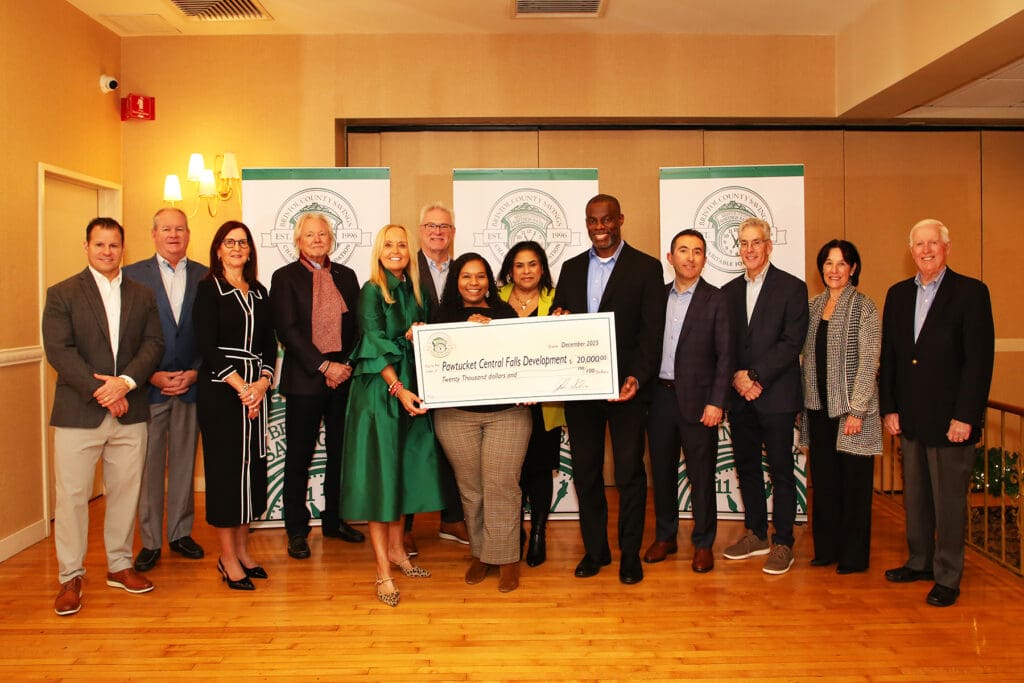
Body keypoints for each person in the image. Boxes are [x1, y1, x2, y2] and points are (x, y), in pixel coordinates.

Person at [43, 217, 165, 616]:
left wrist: (126, 383)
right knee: (74, 497)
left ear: (123, 249)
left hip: (131, 410)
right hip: (80, 411)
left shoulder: (142, 294)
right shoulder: (62, 293)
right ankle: (71, 576)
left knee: (125, 491)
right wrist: (104, 391)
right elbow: (59, 351)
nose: (107, 252)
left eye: (114, 245)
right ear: (86, 246)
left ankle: (119, 565)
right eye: (100, 245)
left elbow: (153, 343)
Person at [551, 193, 664, 585]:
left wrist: (637, 376)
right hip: (581, 391)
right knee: (586, 472)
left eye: (606, 220)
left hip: (626, 390)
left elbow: (652, 334)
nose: (599, 228)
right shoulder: (569, 268)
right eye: (592, 221)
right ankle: (595, 551)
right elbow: (560, 322)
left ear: (620, 219)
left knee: (631, 472)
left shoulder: (647, 268)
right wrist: (558, 317)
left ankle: (629, 553)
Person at [880, 219, 994, 607]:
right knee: (916, 498)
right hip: (910, 418)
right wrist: (889, 408)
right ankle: (919, 561)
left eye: (933, 243)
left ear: (947, 247)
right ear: (910, 250)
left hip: (951, 422)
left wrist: (967, 416)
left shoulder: (971, 293)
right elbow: (892, 358)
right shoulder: (897, 295)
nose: (926, 250)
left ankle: (947, 575)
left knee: (948, 503)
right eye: (919, 244)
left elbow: (978, 363)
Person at [339, 224, 444, 607]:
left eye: (402, 244)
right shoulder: (371, 290)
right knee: (380, 481)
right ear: (378, 250)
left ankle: (399, 553)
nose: (396, 250)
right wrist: (399, 390)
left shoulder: (414, 290)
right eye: (389, 244)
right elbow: (372, 345)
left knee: (400, 474)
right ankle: (382, 570)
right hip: (380, 396)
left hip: (409, 392)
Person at [434, 253, 533, 592]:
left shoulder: (505, 313)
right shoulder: (439, 316)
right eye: (466, 276)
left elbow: (522, 358)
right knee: (471, 490)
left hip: (507, 414)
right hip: (455, 417)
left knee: (502, 485)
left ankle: (507, 559)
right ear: (456, 280)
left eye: (480, 276)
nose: (473, 283)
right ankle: (481, 554)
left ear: (489, 280)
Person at [271, 212, 364, 561]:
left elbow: (358, 327)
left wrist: (345, 366)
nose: (317, 240)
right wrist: (323, 365)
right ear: (298, 240)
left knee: (340, 454)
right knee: (299, 456)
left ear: (331, 239)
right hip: (305, 381)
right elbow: (287, 330)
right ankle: (296, 530)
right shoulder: (285, 277)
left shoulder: (346, 275)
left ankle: (334, 519)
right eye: (309, 235)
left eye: (322, 234)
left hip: (343, 379)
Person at [122, 208, 207, 573]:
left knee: (185, 463)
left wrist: (196, 373)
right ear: (153, 233)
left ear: (189, 234)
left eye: (180, 229)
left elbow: (212, 334)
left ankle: (180, 533)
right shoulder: (131, 276)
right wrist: (150, 374)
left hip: (190, 385)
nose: (174, 235)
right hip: (149, 388)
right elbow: (124, 336)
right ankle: (151, 541)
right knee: (150, 466)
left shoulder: (206, 276)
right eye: (166, 229)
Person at [722, 217, 808, 575]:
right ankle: (756, 533)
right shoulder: (726, 292)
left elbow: (791, 342)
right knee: (747, 468)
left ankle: (782, 542)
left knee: (782, 471)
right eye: (743, 243)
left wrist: (755, 376)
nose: (749, 249)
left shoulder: (792, 288)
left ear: (769, 246)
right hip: (740, 397)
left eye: (756, 242)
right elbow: (721, 346)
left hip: (776, 395)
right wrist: (737, 379)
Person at [194, 221, 277, 591]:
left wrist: (261, 384)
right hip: (221, 392)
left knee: (251, 473)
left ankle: (243, 550)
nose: (237, 248)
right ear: (218, 248)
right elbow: (206, 345)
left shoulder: (259, 291)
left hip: (254, 391)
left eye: (243, 242)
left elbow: (270, 343)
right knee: (228, 475)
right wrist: (242, 386)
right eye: (230, 242)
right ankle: (227, 557)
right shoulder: (208, 289)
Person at [645, 229, 734, 573]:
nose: (690, 257)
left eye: (697, 251)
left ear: (704, 259)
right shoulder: (657, 297)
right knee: (662, 473)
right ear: (671, 258)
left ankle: (703, 543)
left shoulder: (717, 299)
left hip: (700, 403)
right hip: (659, 399)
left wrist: (716, 402)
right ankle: (665, 537)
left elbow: (726, 355)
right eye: (683, 250)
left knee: (701, 475)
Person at [799, 239, 881, 574]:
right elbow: (804, 359)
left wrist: (857, 409)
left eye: (841, 263)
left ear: (853, 268)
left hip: (850, 414)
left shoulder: (865, 306)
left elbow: (869, 359)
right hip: (818, 410)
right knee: (826, 484)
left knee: (854, 487)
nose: (834, 270)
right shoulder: (813, 306)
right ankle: (826, 550)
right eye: (828, 263)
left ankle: (853, 557)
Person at [401, 201, 470, 555]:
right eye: (431, 226)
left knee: (453, 446)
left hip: (456, 374)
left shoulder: (464, 269)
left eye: (444, 226)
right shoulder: (405, 266)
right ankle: (406, 527)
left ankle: (452, 519)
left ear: (453, 233)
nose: (437, 232)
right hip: (413, 372)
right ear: (421, 231)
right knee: (413, 449)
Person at [497, 241, 565, 567]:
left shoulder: (557, 301)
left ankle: (538, 532)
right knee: (513, 471)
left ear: (542, 268)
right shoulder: (493, 300)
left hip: (544, 405)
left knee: (539, 471)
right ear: (510, 269)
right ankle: (515, 532)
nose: (526, 271)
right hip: (504, 405)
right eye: (520, 265)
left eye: (533, 264)